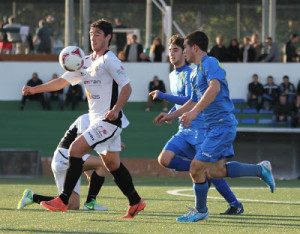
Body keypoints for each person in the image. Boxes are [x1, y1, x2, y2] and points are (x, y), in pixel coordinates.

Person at [22, 19, 145, 218]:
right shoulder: (84, 61)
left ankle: (62, 200)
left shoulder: (110, 60)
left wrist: (116, 109)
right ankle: (136, 202)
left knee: (75, 149)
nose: (93, 38)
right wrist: (35, 89)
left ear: (108, 37)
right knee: (112, 164)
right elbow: (62, 81)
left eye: (97, 34)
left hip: (109, 121)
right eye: (91, 34)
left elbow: (127, 87)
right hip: (98, 121)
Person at [153, 30, 275, 222]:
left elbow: (214, 88)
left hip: (222, 125)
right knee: (215, 171)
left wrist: (193, 113)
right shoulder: (194, 74)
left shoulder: (210, 63)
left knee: (196, 168)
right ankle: (260, 170)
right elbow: (192, 100)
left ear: (194, 47)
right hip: (212, 128)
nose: (183, 51)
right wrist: (172, 114)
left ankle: (201, 210)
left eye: (184, 47)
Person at [150, 34, 244, 215]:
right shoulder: (172, 75)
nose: (173, 53)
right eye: (170, 50)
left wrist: (164, 96)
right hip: (184, 128)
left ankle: (234, 203)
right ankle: (201, 172)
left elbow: (191, 99)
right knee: (164, 159)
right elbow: (183, 104)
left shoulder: (190, 72)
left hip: (200, 127)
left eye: (177, 49)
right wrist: (171, 115)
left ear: (187, 50)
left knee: (211, 170)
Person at [17, 114, 108, 211]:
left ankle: (32, 197)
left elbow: (82, 150)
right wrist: (89, 171)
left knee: (72, 205)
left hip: (69, 158)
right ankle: (91, 202)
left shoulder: (99, 123)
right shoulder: (86, 119)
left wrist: (88, 172)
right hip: (64, 156)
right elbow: (80, 147)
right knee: (102, 164)